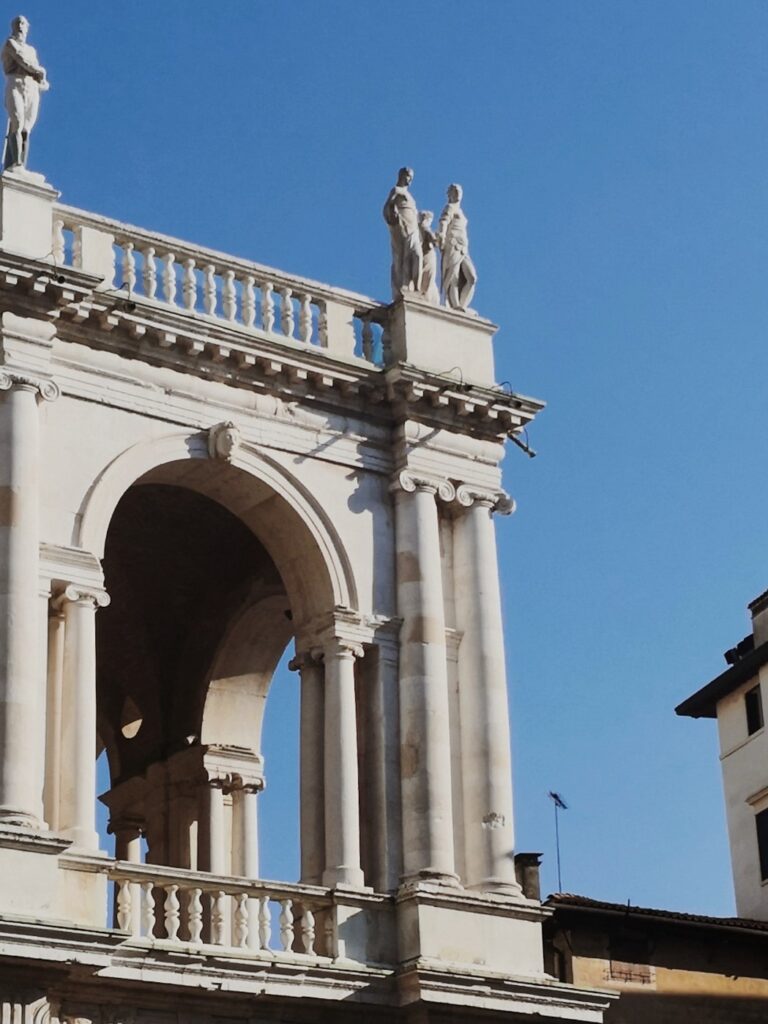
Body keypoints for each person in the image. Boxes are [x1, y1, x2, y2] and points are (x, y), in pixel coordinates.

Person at [2, 15, 48, 171]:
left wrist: (40, 78)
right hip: (16, 83)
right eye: (18, 23)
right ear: (13, 26)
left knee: (26, 128)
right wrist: (40, 71)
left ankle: (21, 164)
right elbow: (22, 60)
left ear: (27, 28)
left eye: (23, 23)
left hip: (31, 88)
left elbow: (37, 73)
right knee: (17, 121)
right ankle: (16, 163)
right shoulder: (10, 43)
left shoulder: (31, 50)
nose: (20, 26)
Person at [382, 167, 422, 299]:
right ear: (402, 175)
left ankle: (417, 287)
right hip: (402, 226)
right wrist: (392, 215)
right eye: (408, 176)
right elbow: (387, 206)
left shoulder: (410, 195)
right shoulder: (396, 190)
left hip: (413, 228)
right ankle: (404, 285)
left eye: (411, 178)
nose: (410, 180)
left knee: (417, 255)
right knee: (403, 256)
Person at [437, 184, 477, 311]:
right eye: (455, 191)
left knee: (472, 278)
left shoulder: (460, 211)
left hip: (463, 247)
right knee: (453, 275)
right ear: (450, 194)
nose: (458, 193)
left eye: (459, 191)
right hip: (452, 243)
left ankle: (462, 304)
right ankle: (455, 306)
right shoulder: (450, 207)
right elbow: (443, 221)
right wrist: (442, 236)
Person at [418, 210, 439, 304]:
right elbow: (434, 240)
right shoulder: (425, 228)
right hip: (428, 255)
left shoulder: (417, 228)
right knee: (428, 274)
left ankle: (425, 293)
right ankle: (425, 294)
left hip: (423, 255)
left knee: (425, 274)